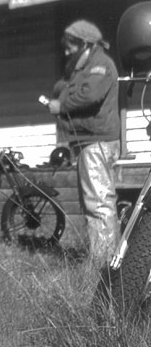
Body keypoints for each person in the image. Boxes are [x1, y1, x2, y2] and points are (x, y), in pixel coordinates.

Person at [47, 20, 120, 265]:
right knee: (93, 201)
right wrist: (62, 95)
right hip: (86, 141)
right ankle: (103, 257)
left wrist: (61, 104)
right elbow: (64, 87)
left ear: (86, 44)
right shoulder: (81, 68)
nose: (66, 52)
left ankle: (105, 265)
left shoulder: (101, 66)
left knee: (99, 203)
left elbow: (89, 95)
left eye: (70, 47)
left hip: (96, 142)